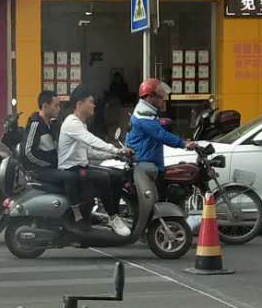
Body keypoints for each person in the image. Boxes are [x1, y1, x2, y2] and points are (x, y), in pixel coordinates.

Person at [57, 85, 130, 226]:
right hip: (71, 170)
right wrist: (116, 150)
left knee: (117, 176)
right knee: (102, 177)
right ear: (79, 104)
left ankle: (112, 214)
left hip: (82, 167)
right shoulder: (72, 123)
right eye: (90, 102)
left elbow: (89, 152)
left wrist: (112, 156)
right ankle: (113, 217)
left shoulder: (80, 125)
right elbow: (91, 140)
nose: (94, 105)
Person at [126, 79, 187, 186]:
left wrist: (162, 122)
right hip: (147, 165)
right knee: (158, 200)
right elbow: (160, 134)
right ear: (150, 96)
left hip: (151, 161)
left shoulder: (147, 111)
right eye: (160, 96)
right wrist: (184, 143)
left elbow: (153, 127)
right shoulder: (143, 114)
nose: (163, 99)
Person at [22, 90, 62, 186]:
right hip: (39, 171)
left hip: (52, 168)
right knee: (69, 178)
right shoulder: (35, 124)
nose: (59, 109)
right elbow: (27, 152)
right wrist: (48, 164)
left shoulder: (52, 125)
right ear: (45, 106)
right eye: (56, 106)